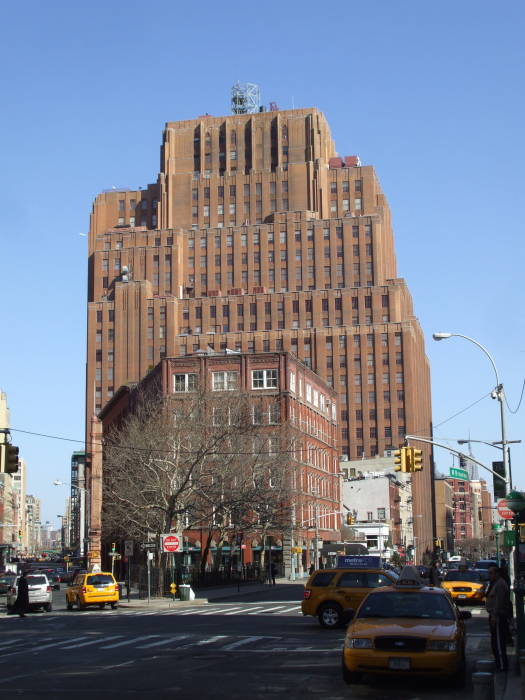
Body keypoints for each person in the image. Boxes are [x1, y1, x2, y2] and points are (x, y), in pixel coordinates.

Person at [486, 566, 512, 672]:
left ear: (497, 573)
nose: (490, 575)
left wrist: (495, 615)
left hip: (498, 616)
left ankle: (502, 665)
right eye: (489, 573)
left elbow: (499, 602)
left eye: (491, 573)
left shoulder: (500, 584)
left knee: (499, 642)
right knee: (495, 642)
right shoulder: (495, 583)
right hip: (494, 615)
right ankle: (498, 663)